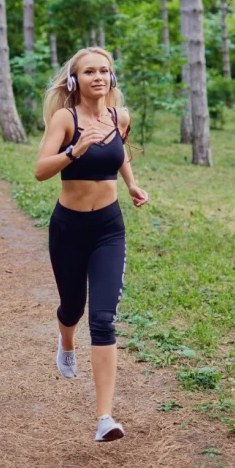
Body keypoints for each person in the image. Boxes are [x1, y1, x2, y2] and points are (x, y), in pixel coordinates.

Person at [33, 46, 149, 442]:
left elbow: (119, 155)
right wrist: (74, 150)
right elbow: (39, 171)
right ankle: (66, 341)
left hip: (108, 229)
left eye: (104, 71)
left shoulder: (121, 117)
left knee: (102, 319)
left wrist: (131, 185)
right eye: (89, 72)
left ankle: (104, 418)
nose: (98, 77)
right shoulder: (65, 119)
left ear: (111, 78)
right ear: (74, 80)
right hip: (68, 228)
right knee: (72, 307)